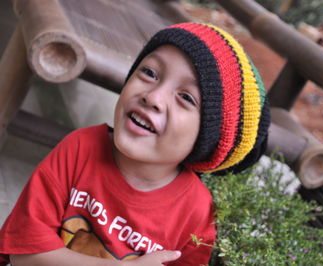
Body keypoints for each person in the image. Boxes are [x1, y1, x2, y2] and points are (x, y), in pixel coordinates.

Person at [0, 23, 270, 265]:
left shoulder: (197, 214)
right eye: (150, 72)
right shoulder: (80, 149)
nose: (153, 96)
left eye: (186, 98)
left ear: (206, 141)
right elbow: (25, 253)